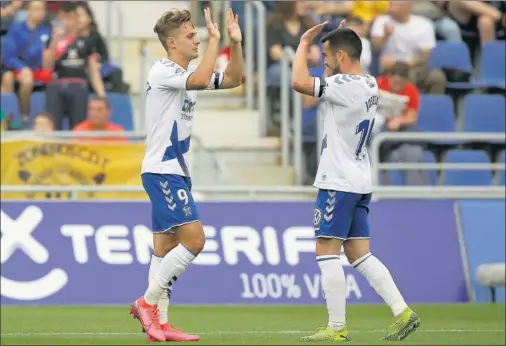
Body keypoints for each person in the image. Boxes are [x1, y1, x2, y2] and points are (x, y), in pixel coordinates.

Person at [291, 20, 420, 342]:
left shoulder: (343, 85)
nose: (323, 60)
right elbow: (338, 75)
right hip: (360, 179)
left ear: (342, 55)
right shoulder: (370, 82)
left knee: (326, 251)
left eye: (326, 55)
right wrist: (338, 38)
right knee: (360, 254)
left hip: (338, 180)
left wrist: (303, 43)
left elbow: (298, 82)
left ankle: (336, 328)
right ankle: (402, 311)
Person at [128, 7, 243, 343]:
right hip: (163, 171)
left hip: (176, 171)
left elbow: (234, 79)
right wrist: (215, 43)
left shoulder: (189, 73)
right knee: (195, 241)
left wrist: (234, 45)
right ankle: (147, 303)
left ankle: (159, 325)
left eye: (198, 34)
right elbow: (198, 78)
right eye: (191, 35)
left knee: (164, 248)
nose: (198, 39)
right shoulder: (163, 70)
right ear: (172, 41)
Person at [43, 1, 105, 130]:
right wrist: (55, 41)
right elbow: (47, 66)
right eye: (63, 18)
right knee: (53, 126)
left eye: (70, 18)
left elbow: (93, 71)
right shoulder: (52, 40)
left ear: (77, 19)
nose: (66, 22)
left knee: (78, 127)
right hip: (56, 84)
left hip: (78, 85)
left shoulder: (87, 41)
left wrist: (101, 95)